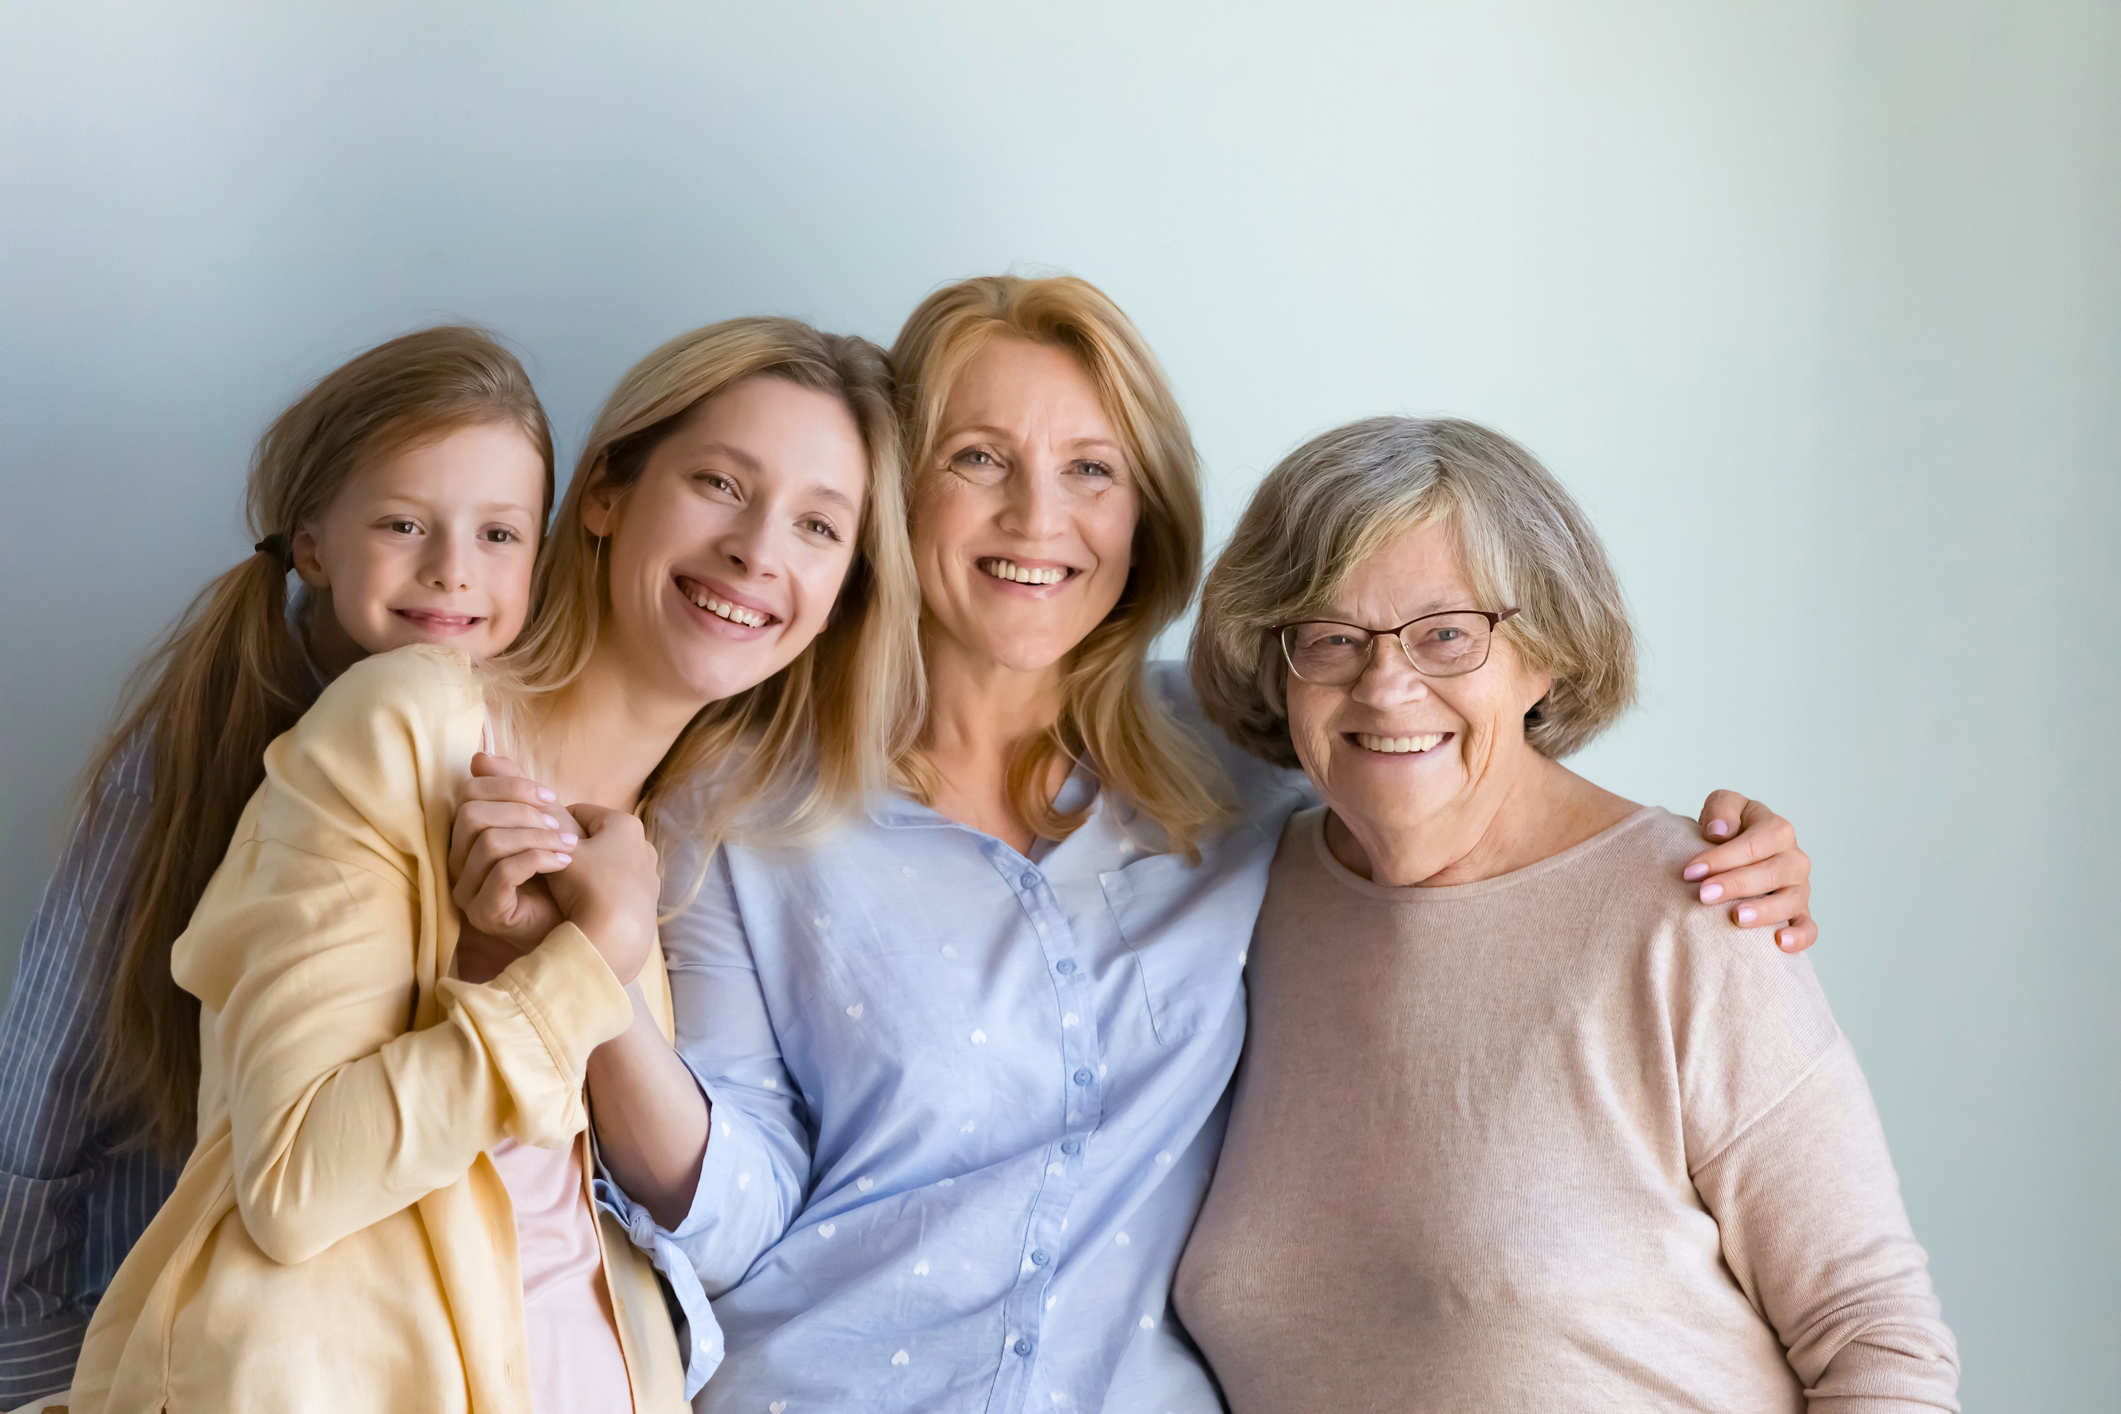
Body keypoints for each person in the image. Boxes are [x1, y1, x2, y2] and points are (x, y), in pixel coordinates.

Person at [455, 275, 1819, 1411]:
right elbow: (739, 1215)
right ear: (892, 497)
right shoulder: (734, 812)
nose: (1037, 518)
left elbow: (1457, 771)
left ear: (1142, 514)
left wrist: (1692, 863)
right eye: (977, 460)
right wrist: (601, 972)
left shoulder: (1244, 761)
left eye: (1089, 471)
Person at [61, 317, 921, 1414]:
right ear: (603, 493)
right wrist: (576, 969)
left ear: (845, 589)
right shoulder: (410, 723)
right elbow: (290, 1184)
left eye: (816, 525)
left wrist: (599, 960)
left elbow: (718, 1227)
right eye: (719, 481)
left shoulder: (681, 853)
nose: (759, 549)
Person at [1174, 416, 1958, 1408]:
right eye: (1330, 638)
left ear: (1543, 651)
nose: (1386, 684)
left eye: (1447, 634)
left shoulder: (1691, 916)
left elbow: (1878, 1340)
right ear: (1276, 664)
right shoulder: (1242, 902)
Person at [0, 326, 553, 1408]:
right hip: (164, 1335)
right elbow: (42, 1099)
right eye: (404, 523)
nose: (452, 568)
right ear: (312, 546)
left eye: (498, 533)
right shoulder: (191, 755)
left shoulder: (508, 758)